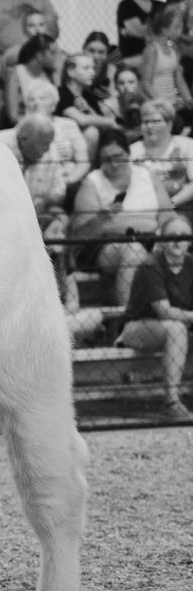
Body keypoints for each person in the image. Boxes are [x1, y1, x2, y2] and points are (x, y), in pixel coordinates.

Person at [70, 133, 173, 309]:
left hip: (152, 239)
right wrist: (102, 219)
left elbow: (168, 215)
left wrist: (165, 236)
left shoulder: (147, 175)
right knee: (133, 250)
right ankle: (126, 312)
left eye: (118, 156)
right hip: (108, 246)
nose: (114, 164)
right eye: (107, 159)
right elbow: (79, 235)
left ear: (128, 153)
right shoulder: (92, 183)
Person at [115, 213, 193, 421]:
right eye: (171, 235)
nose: (177, 240)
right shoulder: (151, 264)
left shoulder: (191, 264)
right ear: (162, 239)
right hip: (136, 327)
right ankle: (172, 403)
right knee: (176, 328)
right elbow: (163, 311)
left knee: (178, 328)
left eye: (183, 235)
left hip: (180, 325)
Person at [130, 100, 193, 213]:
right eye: (145, 122)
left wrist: (170, 204)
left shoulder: (187, 145)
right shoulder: (132, 150)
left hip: (180, 207)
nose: (149, 126)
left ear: (169, 124)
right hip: (142, 210)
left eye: (156, 121)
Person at [57, 54, 120, 156]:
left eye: (93, 68)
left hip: (87, 145)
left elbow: (101, 124)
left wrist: (89, 109)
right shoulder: (61, 93)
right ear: (70, 71)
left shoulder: (88, 95)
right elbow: (81, 119)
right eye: (86, 68)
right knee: (91, 132)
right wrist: (111, 121)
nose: (92, 72)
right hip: (64, 143)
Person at [138, 4, 191, 107]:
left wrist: (189, 100)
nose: (180, 31)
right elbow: (146, 83)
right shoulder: (152, 50)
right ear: (164, 29)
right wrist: (162, 103)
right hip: (156, 104)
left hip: (172, 103)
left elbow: (179, 79)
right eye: (176, 27)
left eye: (180, 27)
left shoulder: (173, 50)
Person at [118, 0, 159, 64]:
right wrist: (159, 27)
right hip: (134, 57)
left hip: (159, 56)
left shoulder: (160, 5)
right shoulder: (127, 5)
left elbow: (171, 31)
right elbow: (140, 32)